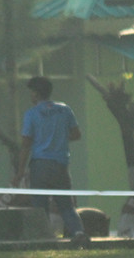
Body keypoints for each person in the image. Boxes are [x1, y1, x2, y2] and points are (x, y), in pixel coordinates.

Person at [14, 76, 88, 247]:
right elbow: (76, 134)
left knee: (40, 207)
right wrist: (59, 139)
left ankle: (44, 240)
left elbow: (25, 145)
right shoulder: (64, 110)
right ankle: (79, 233)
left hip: (40, 165)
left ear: (36, 93)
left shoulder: (31, 114)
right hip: (61, 165)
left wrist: (19, 172)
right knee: (66, 206)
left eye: (31, 92)